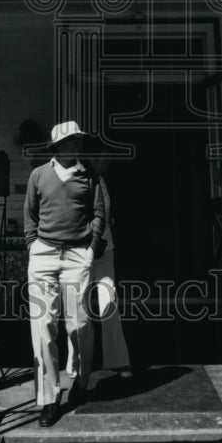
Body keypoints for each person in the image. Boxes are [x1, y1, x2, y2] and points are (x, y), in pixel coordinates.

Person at [23, 120, 105, 427]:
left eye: (79, 141)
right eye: (71, 141)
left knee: (80, 322)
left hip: (76, 255)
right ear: (57, 147)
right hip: (43, 254)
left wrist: (91, 246)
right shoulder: (39, 175)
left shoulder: (89, 175)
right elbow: (29, 213)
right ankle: (49, 398)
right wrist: (32, 244)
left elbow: (99, 212)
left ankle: (80, 383)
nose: (77, 145)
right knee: (43, 325)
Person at [65, 158, 132, 381]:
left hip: (104, 250)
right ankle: (77, 363)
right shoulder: (74, 179)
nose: (107, 161)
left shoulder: (100, 180)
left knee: (108, 303)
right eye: (103, 156)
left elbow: (106, 211)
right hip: (79, 251)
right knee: (77, 309)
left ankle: (118, 360)